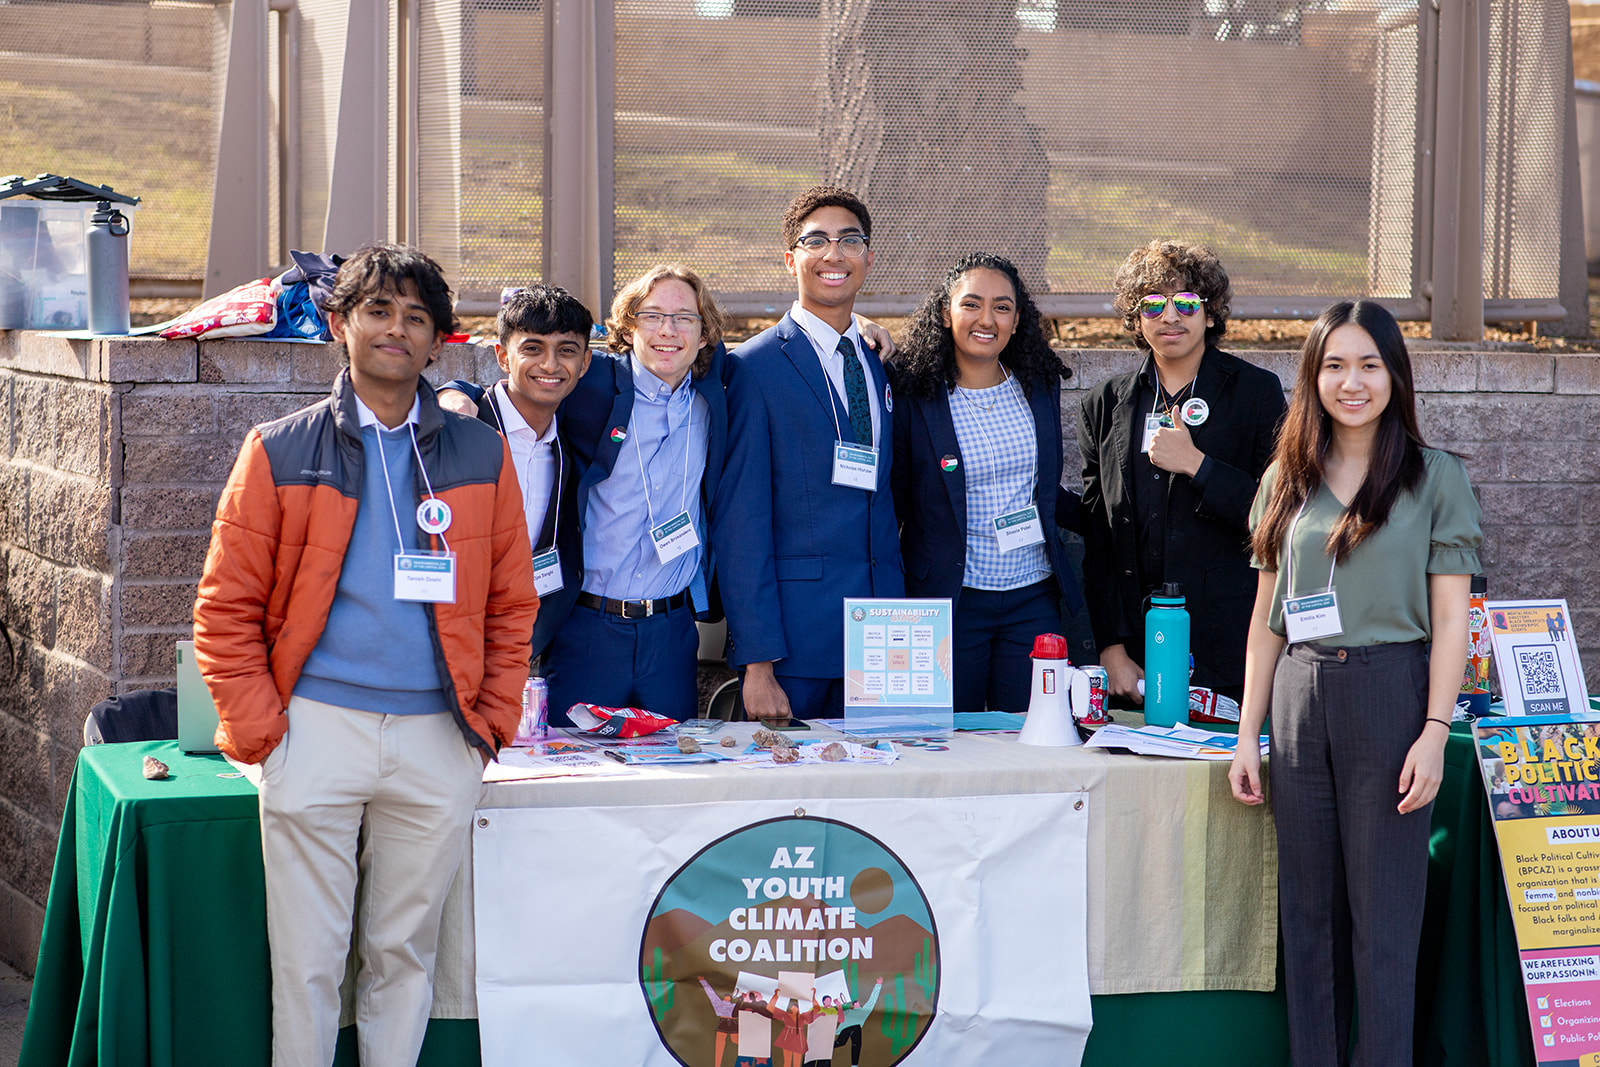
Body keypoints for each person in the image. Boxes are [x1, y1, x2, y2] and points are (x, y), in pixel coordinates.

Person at [192, 243, 538, 1066]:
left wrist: (485, 724)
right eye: (378, 311)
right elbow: (225, 608)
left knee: (403, 958)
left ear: (440, 342)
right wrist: (265, 731)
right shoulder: (278, 449)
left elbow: (511, 602)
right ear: (340, 326)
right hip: (314, 728)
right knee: (307, 964)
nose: (397, 329)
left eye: (417, 317)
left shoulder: (480, 453)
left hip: (437, 738)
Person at [1227, 300, 1481, 1067]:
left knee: (1384, 921)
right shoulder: (1286, 479)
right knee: (1308, 917)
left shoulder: (1435, 477)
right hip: (1302, 699)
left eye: (1369, 363)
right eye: (1335, 364)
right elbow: (1268, 617)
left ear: (1394, 374)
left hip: (1392, 693)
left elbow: (1451, 619)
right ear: (1313, 377)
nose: (1352, 380)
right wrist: (1248, 730)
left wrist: (1436, 731)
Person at [715, 186, 903, 720]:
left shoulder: (876, 359)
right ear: (791, 258)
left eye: (849, 240)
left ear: (869, 256)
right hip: (795, 646)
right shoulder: (752, 368)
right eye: (815, 240)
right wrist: (757, 664)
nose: (833, 254)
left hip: (882, 640)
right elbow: (741, 525)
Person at [1077, 240, 1285, 705]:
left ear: (1210, 315)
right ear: (1135, 320)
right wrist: (1111, 648)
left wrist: (1197, 464)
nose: (1170, 316)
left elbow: (1279, 513)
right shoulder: (1104, 405)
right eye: (1152, 304)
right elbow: (1099, 535)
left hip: (1228, 650)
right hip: (1135, 654)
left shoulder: (1255, 393)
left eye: (1186, 302)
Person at [889, 252, 1084, 711]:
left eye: (1002, 307)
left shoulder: (1038, 385)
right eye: (971, 304)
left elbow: (1046, 487)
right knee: (952, 744)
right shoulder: (914, 391)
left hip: (1032, 597)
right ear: (945, 312)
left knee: (1031, 733)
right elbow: (895, 497)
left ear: (1017, 321)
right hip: (953, 601)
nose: (986, 319)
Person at [441, 284, 591, 663]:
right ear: (503, 357)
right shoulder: (461, 424)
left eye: (567, 351)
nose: (550, 365)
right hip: (441, 638)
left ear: (585, 363)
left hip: (516, 647)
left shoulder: (568, 444)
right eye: (532, 349)